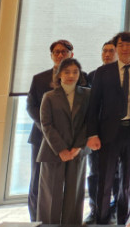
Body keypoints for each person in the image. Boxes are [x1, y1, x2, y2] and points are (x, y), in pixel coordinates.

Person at [86, 31, 130, 225]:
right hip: (108, 134)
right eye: (121, 45)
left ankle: (123, 220)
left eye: (129, 44)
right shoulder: (103, 72)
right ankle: (102, 219)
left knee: (127, 182)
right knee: (104, 180)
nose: (125, 48)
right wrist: (92, 134)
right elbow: (94, 105)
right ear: (116, 48)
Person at [36, 57, 90, 224]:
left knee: (74, 194)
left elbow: (89, 122)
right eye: (67, 72)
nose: (71, 75)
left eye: (75, 72)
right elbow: (46, 125)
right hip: (53, 151)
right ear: (59, 74)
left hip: (77, 151)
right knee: (50, 195)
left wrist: (77, 147)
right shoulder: (49, 96)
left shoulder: (88, 94)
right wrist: (61, 149)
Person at [26, 39, 75, 221]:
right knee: (38, 181)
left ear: (71, 55)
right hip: (42, 138)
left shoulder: (80, 77)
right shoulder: (39, 78)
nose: (60, 55)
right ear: (52, 55)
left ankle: (64, 220)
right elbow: (31, 106)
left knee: (69, 182)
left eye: (64, 51)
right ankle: (36, 220)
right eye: (56, 52)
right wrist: (47, 128)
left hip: (70, 140)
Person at [85, 40, 120, 224]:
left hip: (117, 135)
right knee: (95, 174)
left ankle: (113, 209)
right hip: (96, 135)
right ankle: (95, 209)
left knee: (117, 175)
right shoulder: (92, 75)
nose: (107, 54)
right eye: (104, 51)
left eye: (111, 51)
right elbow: (89, 108)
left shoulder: (124, 75)